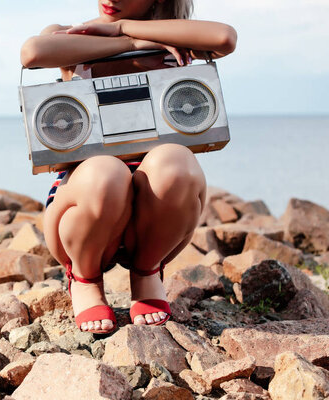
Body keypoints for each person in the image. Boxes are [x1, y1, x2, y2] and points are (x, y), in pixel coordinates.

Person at [20, 0, 237, 333]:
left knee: (175, 162)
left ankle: (147, 272)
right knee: (107, 172)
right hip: (85, 208)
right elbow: (33, 52)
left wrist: (125, 27)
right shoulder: (69, 34)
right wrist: (131, 42)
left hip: (153, 221)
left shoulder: (178, 34)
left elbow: (224, 37)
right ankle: (85, 278)